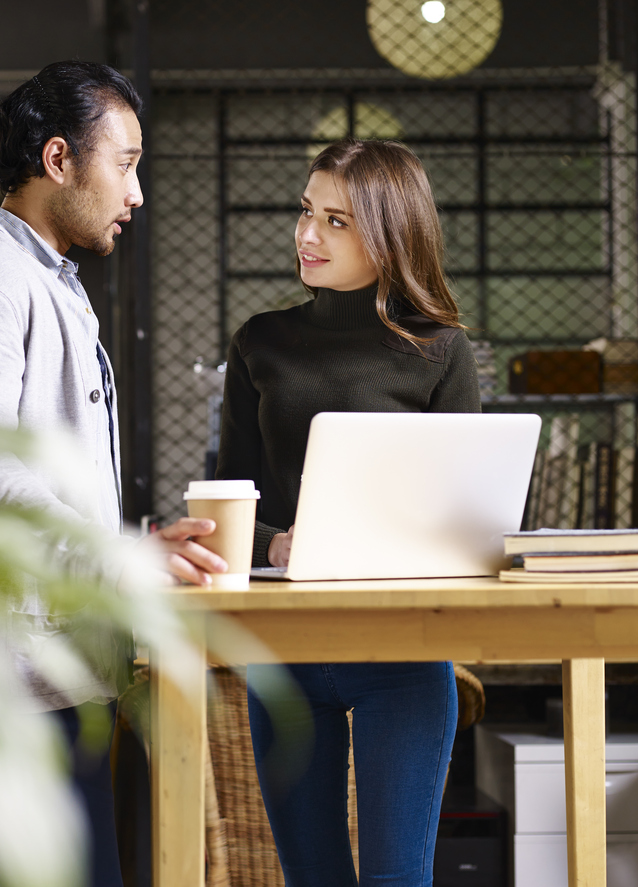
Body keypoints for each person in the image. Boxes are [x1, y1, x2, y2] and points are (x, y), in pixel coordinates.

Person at [0, 61, 225, 887]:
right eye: (126, 161)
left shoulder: (44, 278)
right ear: (57, 161)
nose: (136, 191)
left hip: (53, 666)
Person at [216, 138, 481, 886]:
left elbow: (464, 520)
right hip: (283, 652)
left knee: (398, 879)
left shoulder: (439, 350)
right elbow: (229, 501)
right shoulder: (260, 343)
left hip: (401, 654)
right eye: (306, 211)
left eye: (336, 220)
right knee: (313, 878)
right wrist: (274, 548)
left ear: (391, 233)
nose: (306, 234)